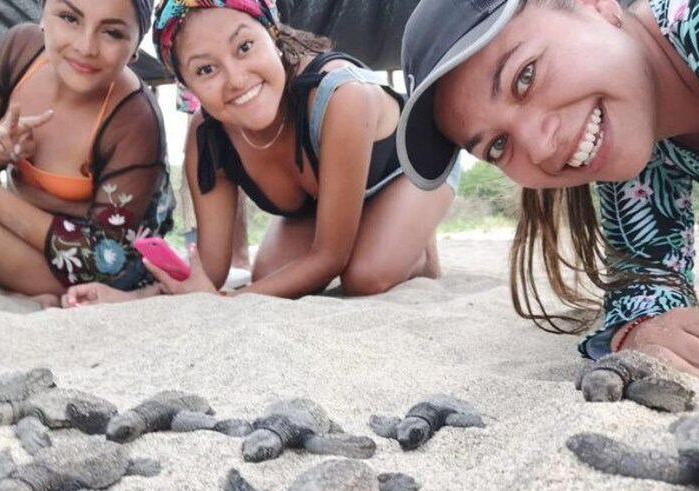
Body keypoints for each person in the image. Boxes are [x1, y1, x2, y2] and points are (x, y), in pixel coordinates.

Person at [397, 0, 699, 393]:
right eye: (498, 146)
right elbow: (644, 287)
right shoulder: (642, 141)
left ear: (595, 6)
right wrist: (645, 331)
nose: (540, 147)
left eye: (525, 76)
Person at [63, 0, 457, 307]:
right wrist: (128, 297)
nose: (236, 79)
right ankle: (383, 229)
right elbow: (211, 272)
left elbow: (329, 256)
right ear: (186, 87)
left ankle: (419, 250)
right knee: (270, 272)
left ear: (273, 33)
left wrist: (229, 303)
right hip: (325, 199)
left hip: (411, 164)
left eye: (245, 47)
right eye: (205, 70)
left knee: (365, 276)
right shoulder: (209, 138)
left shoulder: (338, 96)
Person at [0, 0, 174, 304]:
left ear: (136, 46)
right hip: (8, 237)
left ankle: (8, 294)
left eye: (112, 32)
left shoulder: (135, 119)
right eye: (69, 18)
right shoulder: (21, 49)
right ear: (43, 14)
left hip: (78, 271)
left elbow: (104, 259)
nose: (85, 47)